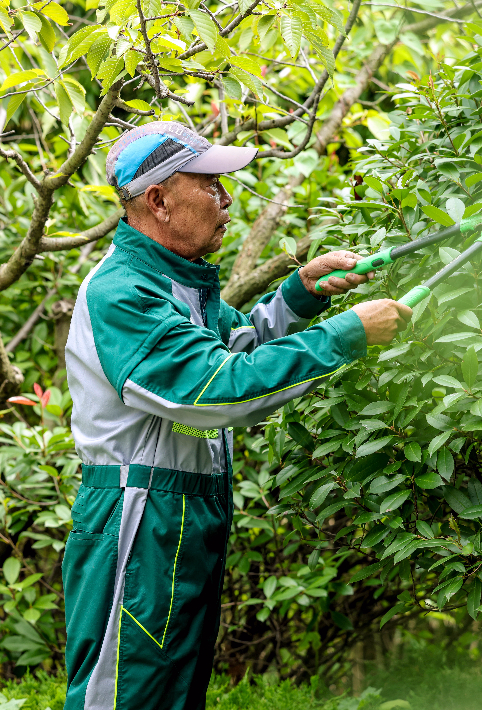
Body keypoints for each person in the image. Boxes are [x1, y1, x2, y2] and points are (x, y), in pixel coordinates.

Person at [63, 122, 412, 710]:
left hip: (184, 515)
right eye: (211, 186)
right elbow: (218, 391)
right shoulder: (124, 291)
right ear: (158, 200)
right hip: (138, 519)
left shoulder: (181, 286)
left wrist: (302, 295)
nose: (227, 200)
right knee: (125, 691)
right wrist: (346, 335)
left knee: (175, 689)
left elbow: (239, 350)